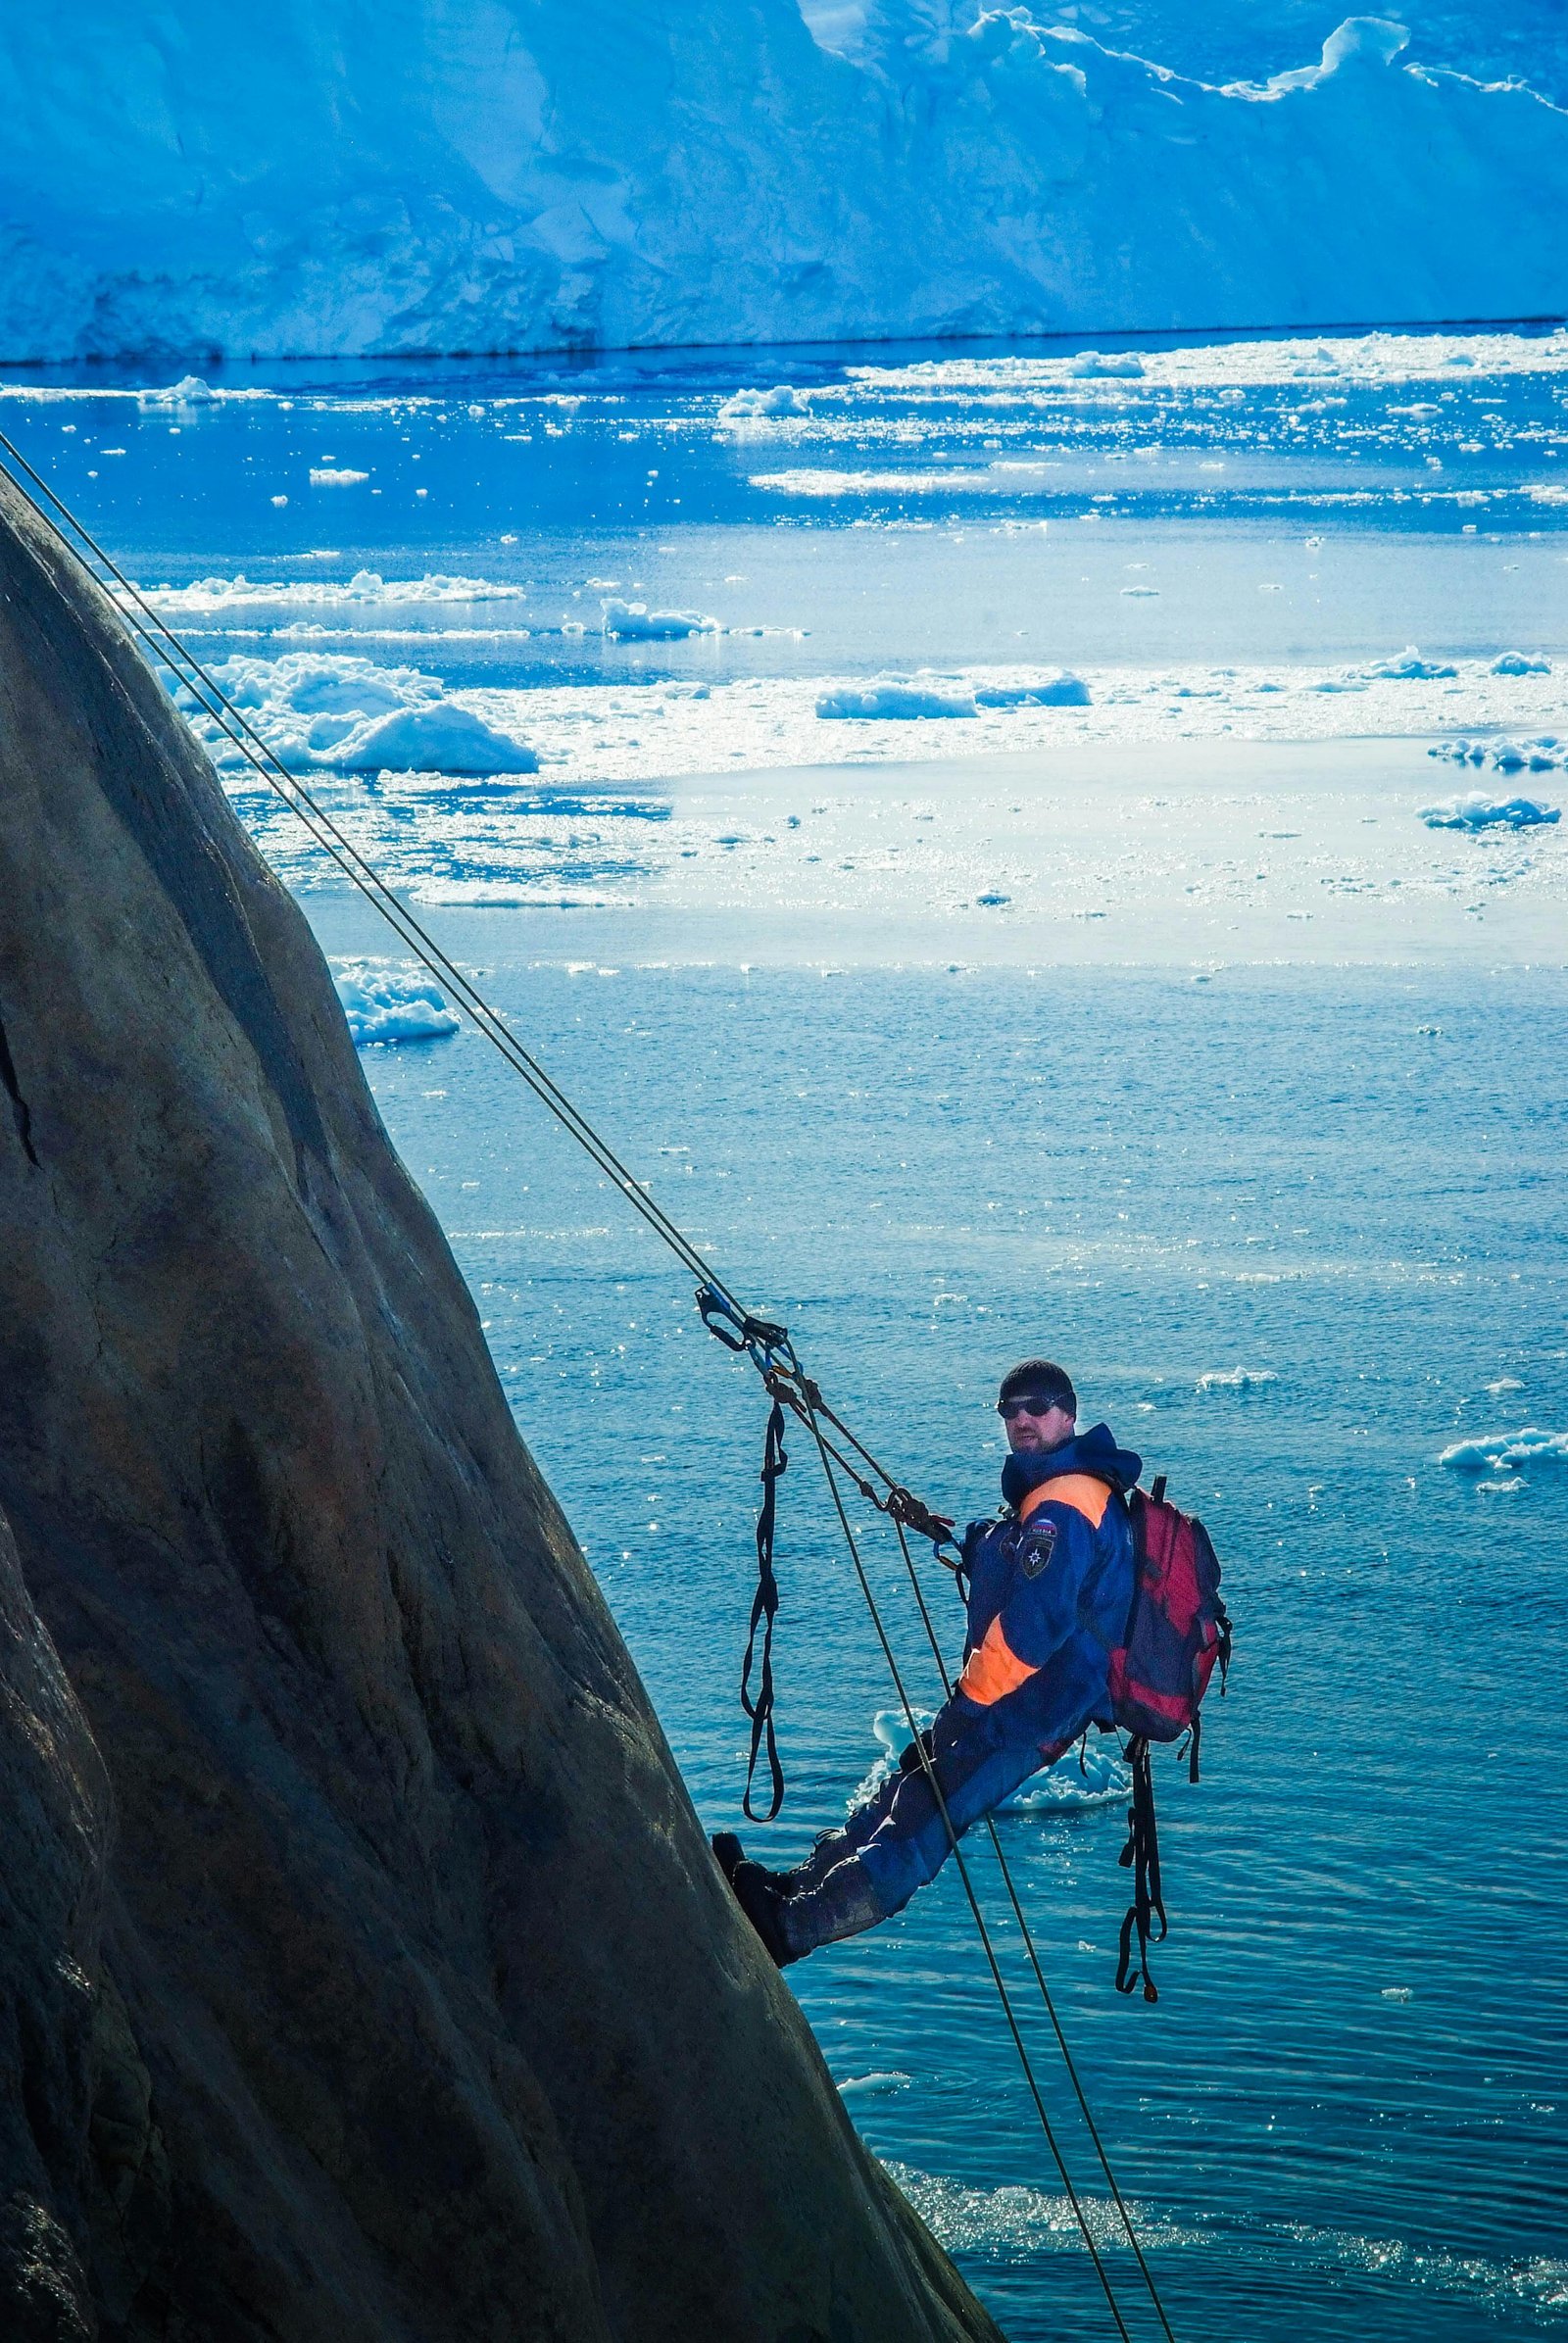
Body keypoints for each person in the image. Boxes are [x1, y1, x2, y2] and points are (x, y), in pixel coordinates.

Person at [712, 1358, 1141, 1967]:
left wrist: (967, 1706)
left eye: (1037, 1406)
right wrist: (960, 1541)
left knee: (920, 1832)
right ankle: (789, 1890)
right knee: (907, 1791)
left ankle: (790, 1929)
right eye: (1009, 1409)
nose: (1022, 1419)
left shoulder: (1065, 1506)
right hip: (1013, 1700)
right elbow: (1017, 1565)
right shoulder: (1058, 1493)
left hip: (1027, 1709)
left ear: (1068, 1415)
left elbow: (1031, 1632)